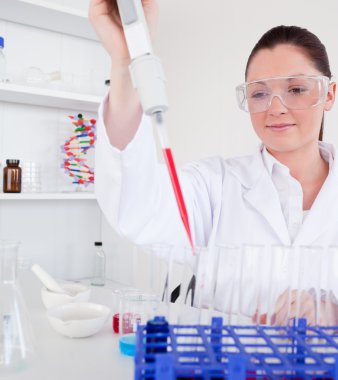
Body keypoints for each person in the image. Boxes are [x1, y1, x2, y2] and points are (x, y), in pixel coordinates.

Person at [89, 0, 338, 325]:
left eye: (296, 89)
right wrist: (126, 61)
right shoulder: (216, 185)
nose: (276, 108)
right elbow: (137, 207)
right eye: (260, 94)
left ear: (329, 94)